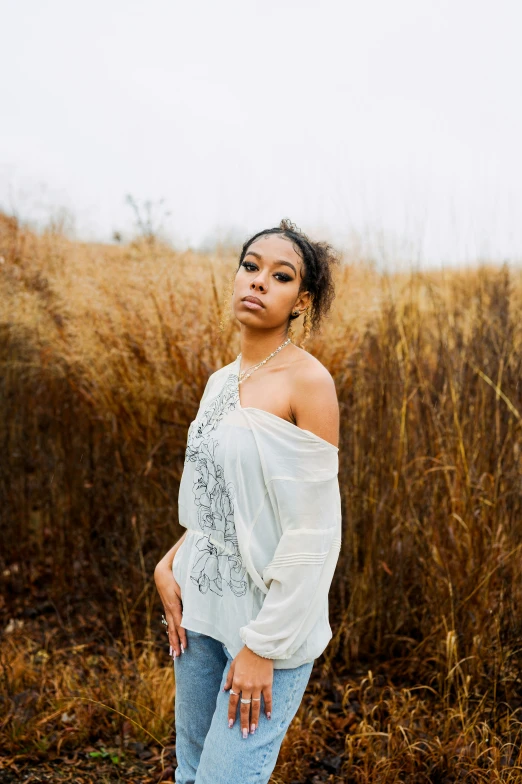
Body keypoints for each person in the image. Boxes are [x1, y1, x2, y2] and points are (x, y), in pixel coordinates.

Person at [154, 218, 342, 784]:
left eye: (280, 276)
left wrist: (263, 648)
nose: (258, 282)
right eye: (250, 266)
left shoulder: (307, 383)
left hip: (267, 622)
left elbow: (315, 532)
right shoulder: (219, 381)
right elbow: (220, 499)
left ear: (300, 300)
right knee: (190, 772)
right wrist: (171, 560)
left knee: (226, 777)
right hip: (199, 608)